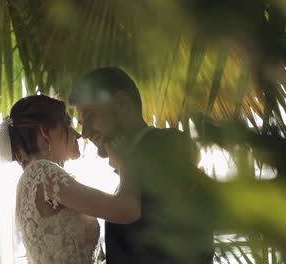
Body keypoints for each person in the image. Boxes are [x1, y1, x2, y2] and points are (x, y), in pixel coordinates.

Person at [0, 94, 140, 264]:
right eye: (67, 123)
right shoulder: (42, 174)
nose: (78, 134)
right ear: (44, 133)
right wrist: (126, 163)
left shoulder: (31, 183)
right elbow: (127, 210)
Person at [69, 67, 215, 263]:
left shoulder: (168, 148)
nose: (85, 133)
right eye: (80, 123)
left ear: (120, 102)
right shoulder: (129, 171)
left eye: (89, 116)